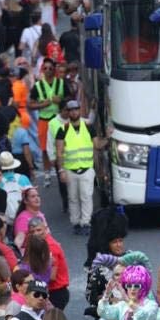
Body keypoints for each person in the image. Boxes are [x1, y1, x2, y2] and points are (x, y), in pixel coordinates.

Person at [53, 100, 97, 235]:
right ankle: (76, 222)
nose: (74, 112)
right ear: (67, 112)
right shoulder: (62, 129)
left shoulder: (89, 127)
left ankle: (86, 222)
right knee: (73, 198)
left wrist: (108, 136)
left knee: (86, 196)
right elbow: (59, 151)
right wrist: (61, 170)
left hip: (86, 168)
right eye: (71, 110)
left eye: (76, 109)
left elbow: (97, 145)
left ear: (80, 110)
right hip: (70, 169)